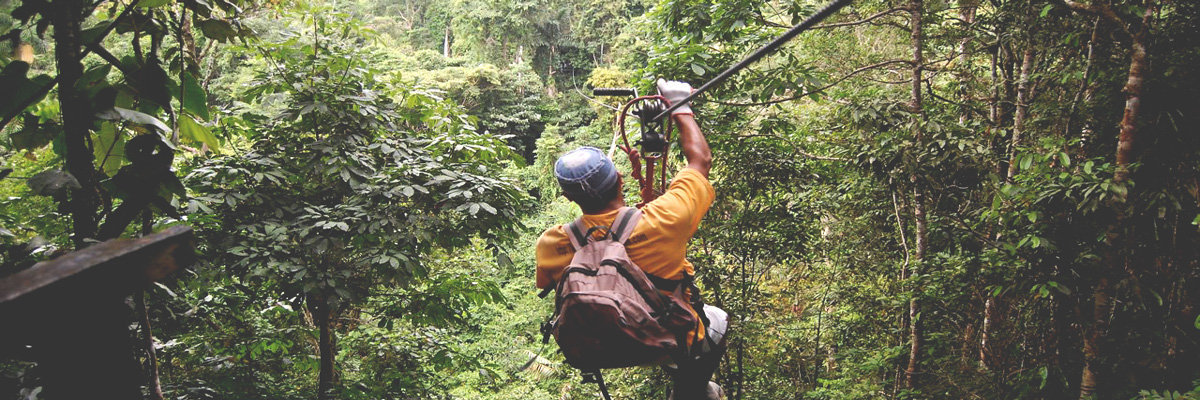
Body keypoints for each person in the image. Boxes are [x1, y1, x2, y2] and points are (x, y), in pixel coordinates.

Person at [535, 79, 728, 400]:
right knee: (717, 320)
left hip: (595, 347)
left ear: (567, 196)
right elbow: (700, 162)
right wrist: (681, 105)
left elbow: (549, 282)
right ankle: (691, 389)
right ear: (621, 178)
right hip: (666, 337)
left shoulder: (551, 243)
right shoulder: (665, 220)